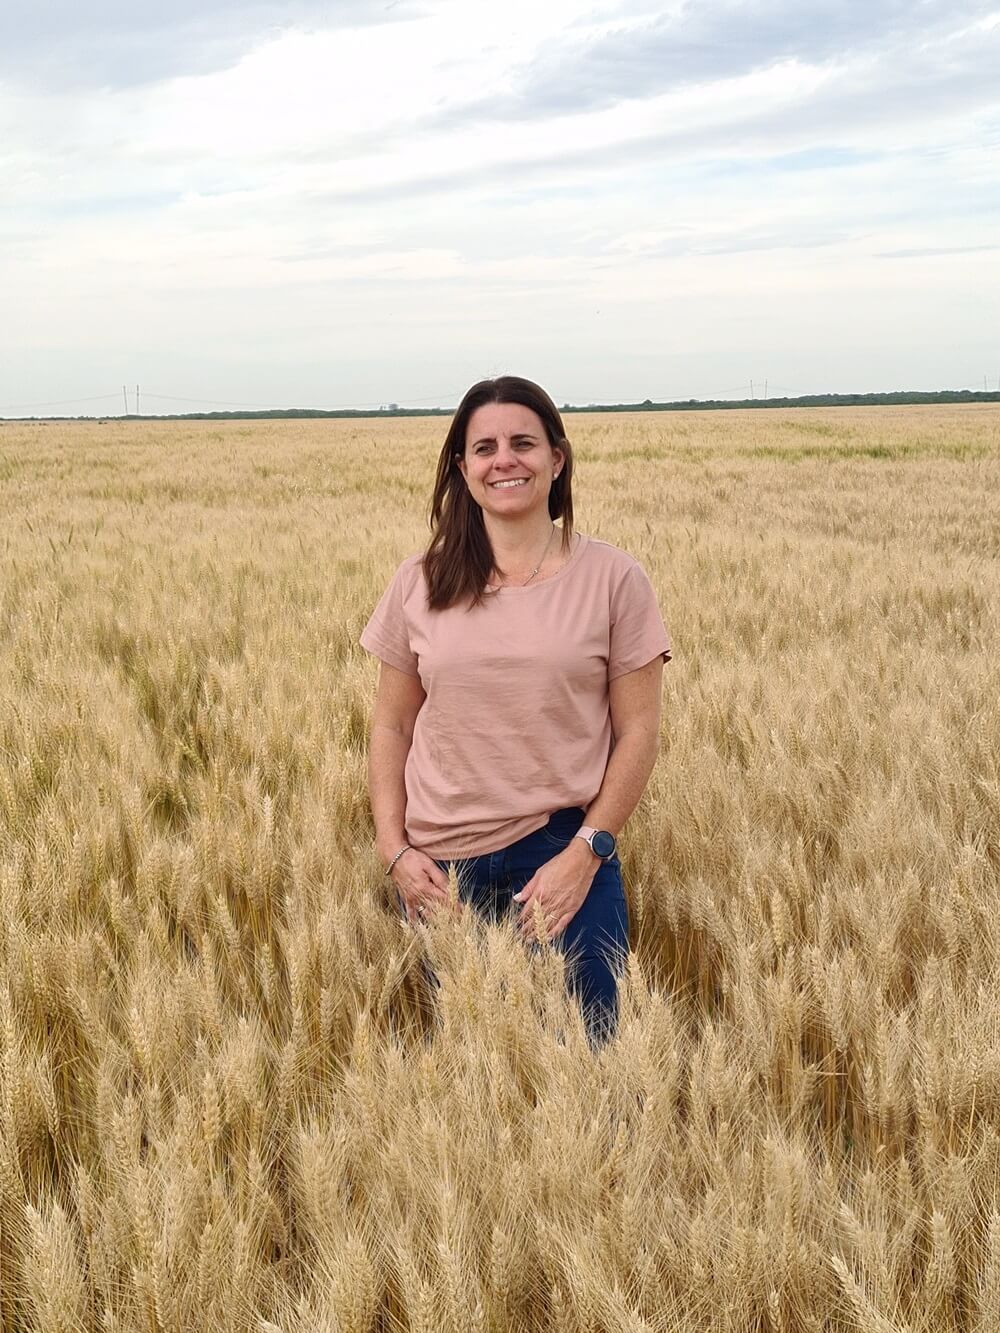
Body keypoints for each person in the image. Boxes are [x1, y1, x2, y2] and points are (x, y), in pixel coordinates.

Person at [360, 376, 671, 1043]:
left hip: (560, 852)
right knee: (476, 1073)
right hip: (442, 870)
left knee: (594, 1062)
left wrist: (588, 851)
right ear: (462, 468)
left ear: (557, 459)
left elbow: (640, 729)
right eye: (485, 447)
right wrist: (394, 850)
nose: (505, 460)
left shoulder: (615, 579)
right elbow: (391, 724)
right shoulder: (419, 582)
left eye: (523, 443)